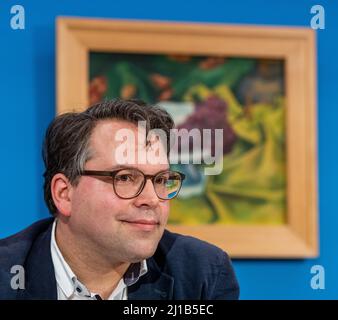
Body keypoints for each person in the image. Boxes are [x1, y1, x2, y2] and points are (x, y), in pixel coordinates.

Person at [0, 99, 239, 300]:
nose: (151, 199)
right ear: (64, 193)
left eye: (160, 180)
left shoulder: (201, 273)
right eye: (125, 178)